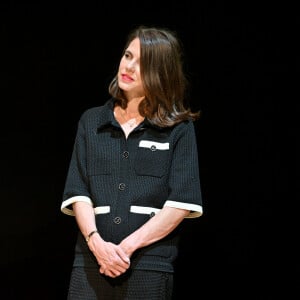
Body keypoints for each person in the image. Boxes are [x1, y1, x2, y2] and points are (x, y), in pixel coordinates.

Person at [61, 25, 203, 300]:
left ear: (161, 73)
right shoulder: (92, 122)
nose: (129, 67)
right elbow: (78, 192)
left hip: (148, 266)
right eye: (128, 56)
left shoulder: (178, 128)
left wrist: (125, 249)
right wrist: (97, 245)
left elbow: (180, 204)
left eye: (143, 63)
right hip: (91, 263)